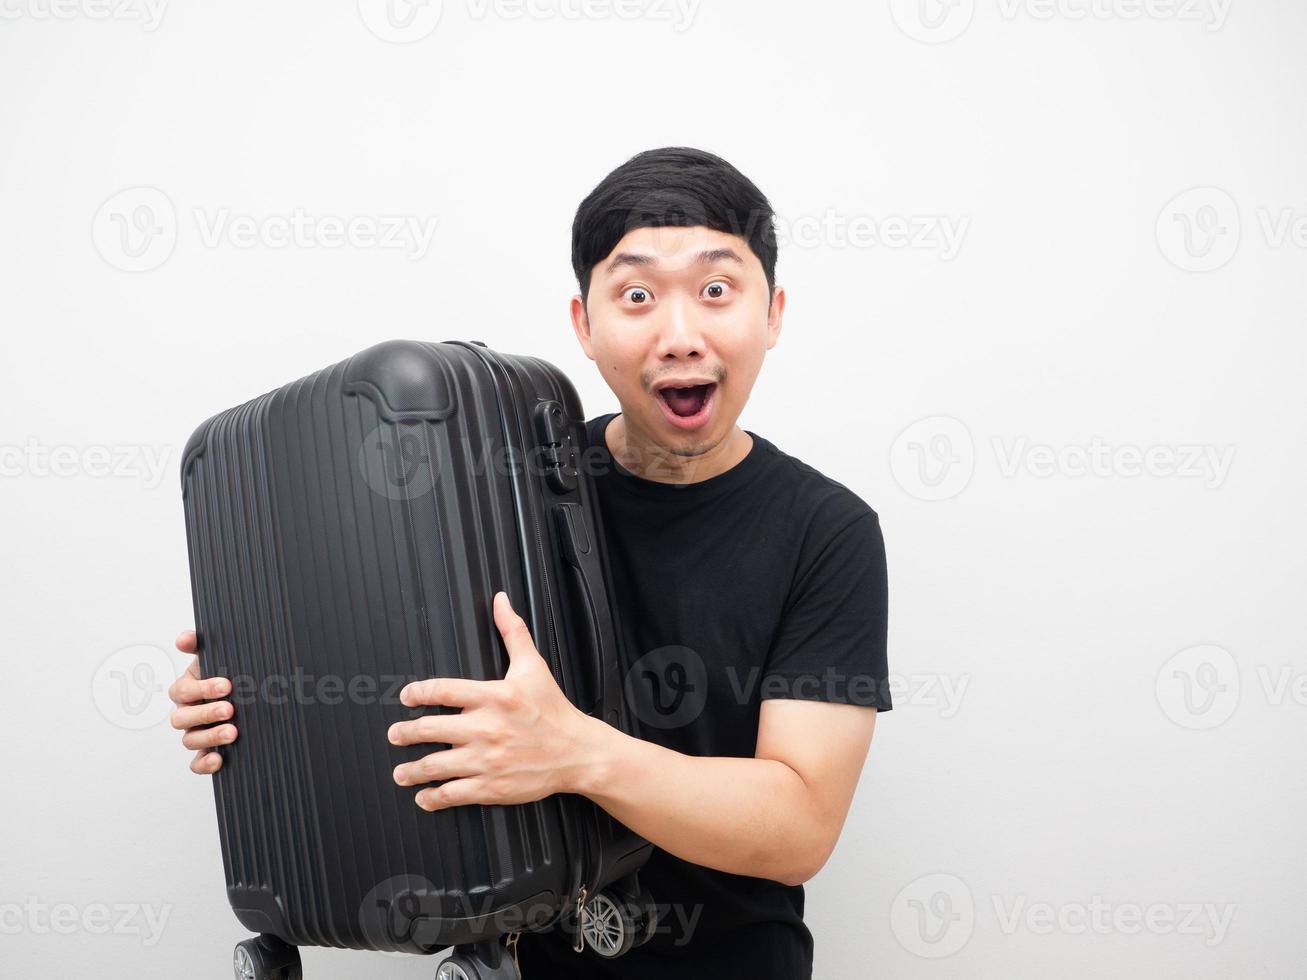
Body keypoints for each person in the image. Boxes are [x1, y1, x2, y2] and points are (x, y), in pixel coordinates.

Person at [167, 146, 892, 979]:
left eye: (717, 290)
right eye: (638, 295)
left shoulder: (827, 530)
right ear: (584, 325)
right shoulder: (504, 485)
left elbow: (799, 828)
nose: (680, 335)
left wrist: (578, 753)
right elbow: (411, 699)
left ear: (773, 315)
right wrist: (260, 701)